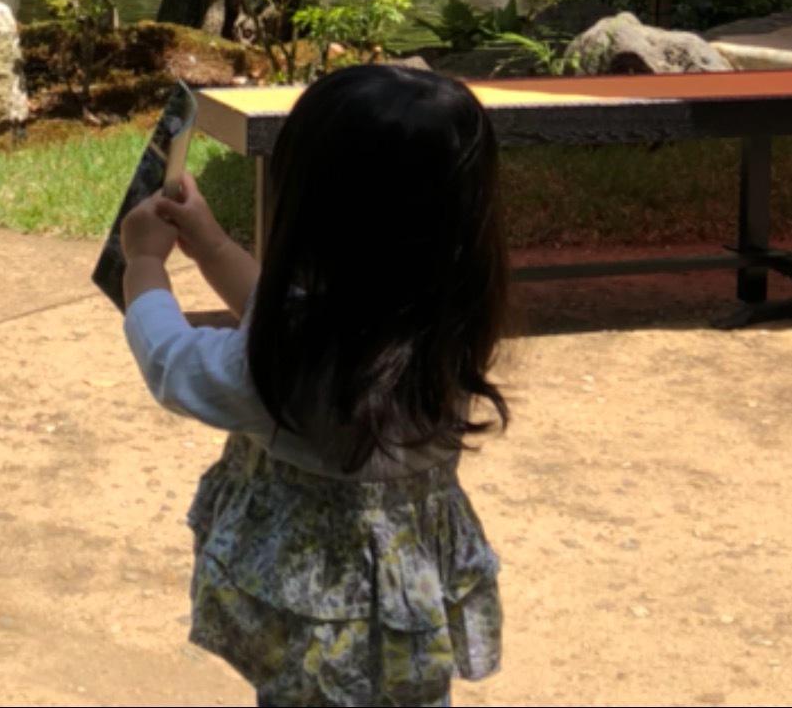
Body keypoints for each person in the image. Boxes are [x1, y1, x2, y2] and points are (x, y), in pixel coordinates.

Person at [119, 62, 511, 708]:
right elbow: (287, 318)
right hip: (401, 637)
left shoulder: (290, 365)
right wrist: (213, 245)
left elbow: (173, 364)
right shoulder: (444, 333)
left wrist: (141, 266)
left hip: (318, 648)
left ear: (317, 215)